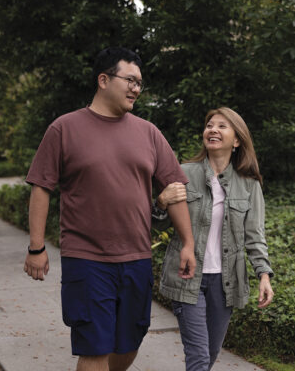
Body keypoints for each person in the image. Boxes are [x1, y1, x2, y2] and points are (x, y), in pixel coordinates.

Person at [23, 47, 197, 371]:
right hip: (86, 258)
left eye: (140, 83)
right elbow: (41, 187)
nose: (136, 88)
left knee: (129, 340)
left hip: (137, 257)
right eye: (130, 80)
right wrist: (36, 247)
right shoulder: (64, 129)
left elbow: (175, 190)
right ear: (103, 80)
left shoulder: (149, 133)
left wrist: (188, 243)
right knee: (94, 347)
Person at [156, 107, 274, 371]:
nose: (213, 130)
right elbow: (154, 223)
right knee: (198, 357)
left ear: (236, 140)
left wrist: (263, 275)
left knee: (208, 355)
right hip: (188, 278)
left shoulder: (249, 184)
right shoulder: (183, 173)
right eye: (210, 125)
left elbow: (255, 236)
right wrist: (161, 202)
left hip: (226, 281)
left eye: (222, 126)